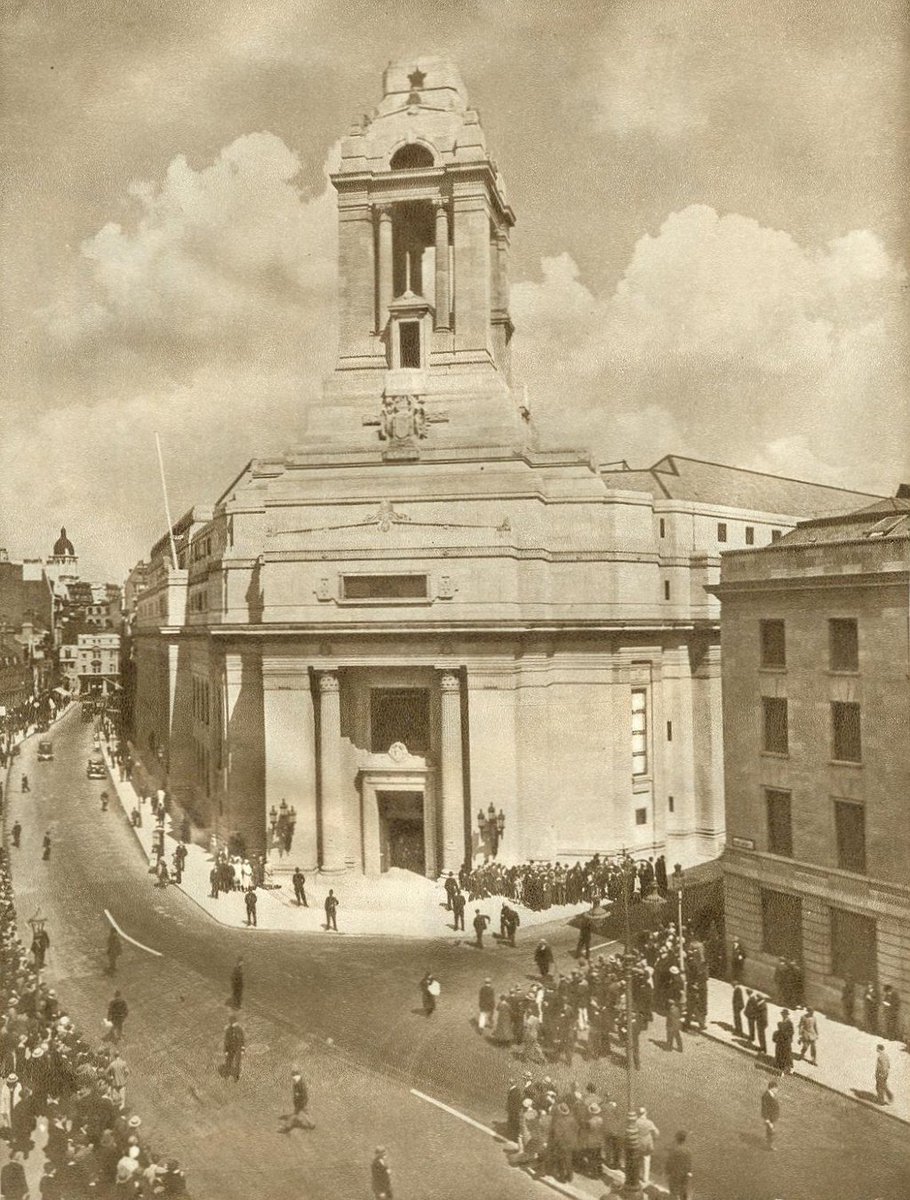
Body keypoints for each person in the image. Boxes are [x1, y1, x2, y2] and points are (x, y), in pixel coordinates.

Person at [665, 1130, 693, 1199]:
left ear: (676, 1138)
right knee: (683, 1192)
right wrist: (688, 1174)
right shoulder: (688, 1151)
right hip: (684, 1175)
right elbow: (689, 1165)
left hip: (675, 1175)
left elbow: (669, 1163)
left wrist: (667, 1173)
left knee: (673, 1192)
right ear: (685, 1139)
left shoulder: (674, 1150)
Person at [635, 1105, 660, 1184]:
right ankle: (645, 1178)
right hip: (647, 1145)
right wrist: (654, 1139)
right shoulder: (649, 1123)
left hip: (638, 1143)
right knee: (646, 1160)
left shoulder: (636, 1122)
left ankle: (638, 1174)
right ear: (645, 1113)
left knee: (638, 1160)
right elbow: (656, 1132)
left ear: (638, 1113)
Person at [223, 1016, 245, 1081]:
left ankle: (237, 1076)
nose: (233, 1024)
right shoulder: (228, 1030)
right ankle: (226, 1075)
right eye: (232, 1023)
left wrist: (242, 1049)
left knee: (237, 1062)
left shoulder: (239, 1030)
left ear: (236, 1023)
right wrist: (226, 1050)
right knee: (229, 1061)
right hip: (230, 1048)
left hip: (238, 1048)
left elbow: (242, 1040)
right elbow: (227, 1041)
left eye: (234, 1023)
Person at [761, 1080, 780, 1149]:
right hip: (769, 1118)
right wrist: (767, 1120)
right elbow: (765, 1108)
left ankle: (770, 1145)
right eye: (776, 1088)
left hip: (772, 1117)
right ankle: (769, 1146)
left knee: (771, 1131)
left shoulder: (771, 1094)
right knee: (771, 1131)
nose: (777, 1090)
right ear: (772, 1088)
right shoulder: (766, 1096)